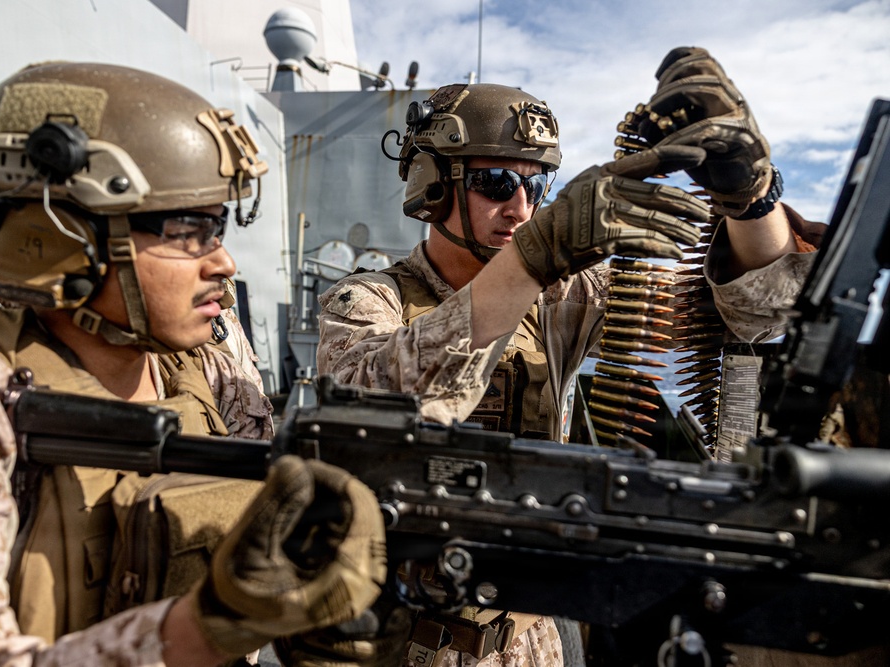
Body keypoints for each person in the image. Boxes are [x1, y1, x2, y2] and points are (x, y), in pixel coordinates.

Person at [312, 47, 821, 666]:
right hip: (406, 647)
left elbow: (748, 314)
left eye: (536, 185)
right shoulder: (366, 301)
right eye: (496, 183)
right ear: (433, 184)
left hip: (533, 643)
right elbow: (376, 405)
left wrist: (752, 200)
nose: (522, 208)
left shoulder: (564, 296)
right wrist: (532, 260)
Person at [0, 62, 386, 666]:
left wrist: (305, 607)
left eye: (220, 227)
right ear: (62, 237)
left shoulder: (201, 370)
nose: (224, 261)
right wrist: (208, 629)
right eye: (189, 229)